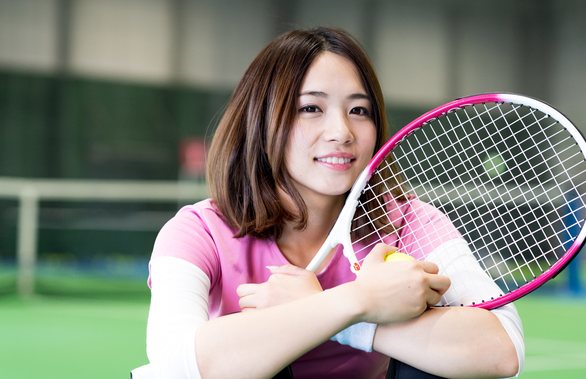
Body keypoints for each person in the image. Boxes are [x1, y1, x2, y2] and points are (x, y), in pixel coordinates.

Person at [131, 27, 524, 379]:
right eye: (310, 108)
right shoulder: (198, 230)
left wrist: (347, 320)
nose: (341, 131)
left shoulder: (407, 221)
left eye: (359, 111)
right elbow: (171, 365)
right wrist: (359, 300)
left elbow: (502, 350)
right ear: (261, 119)